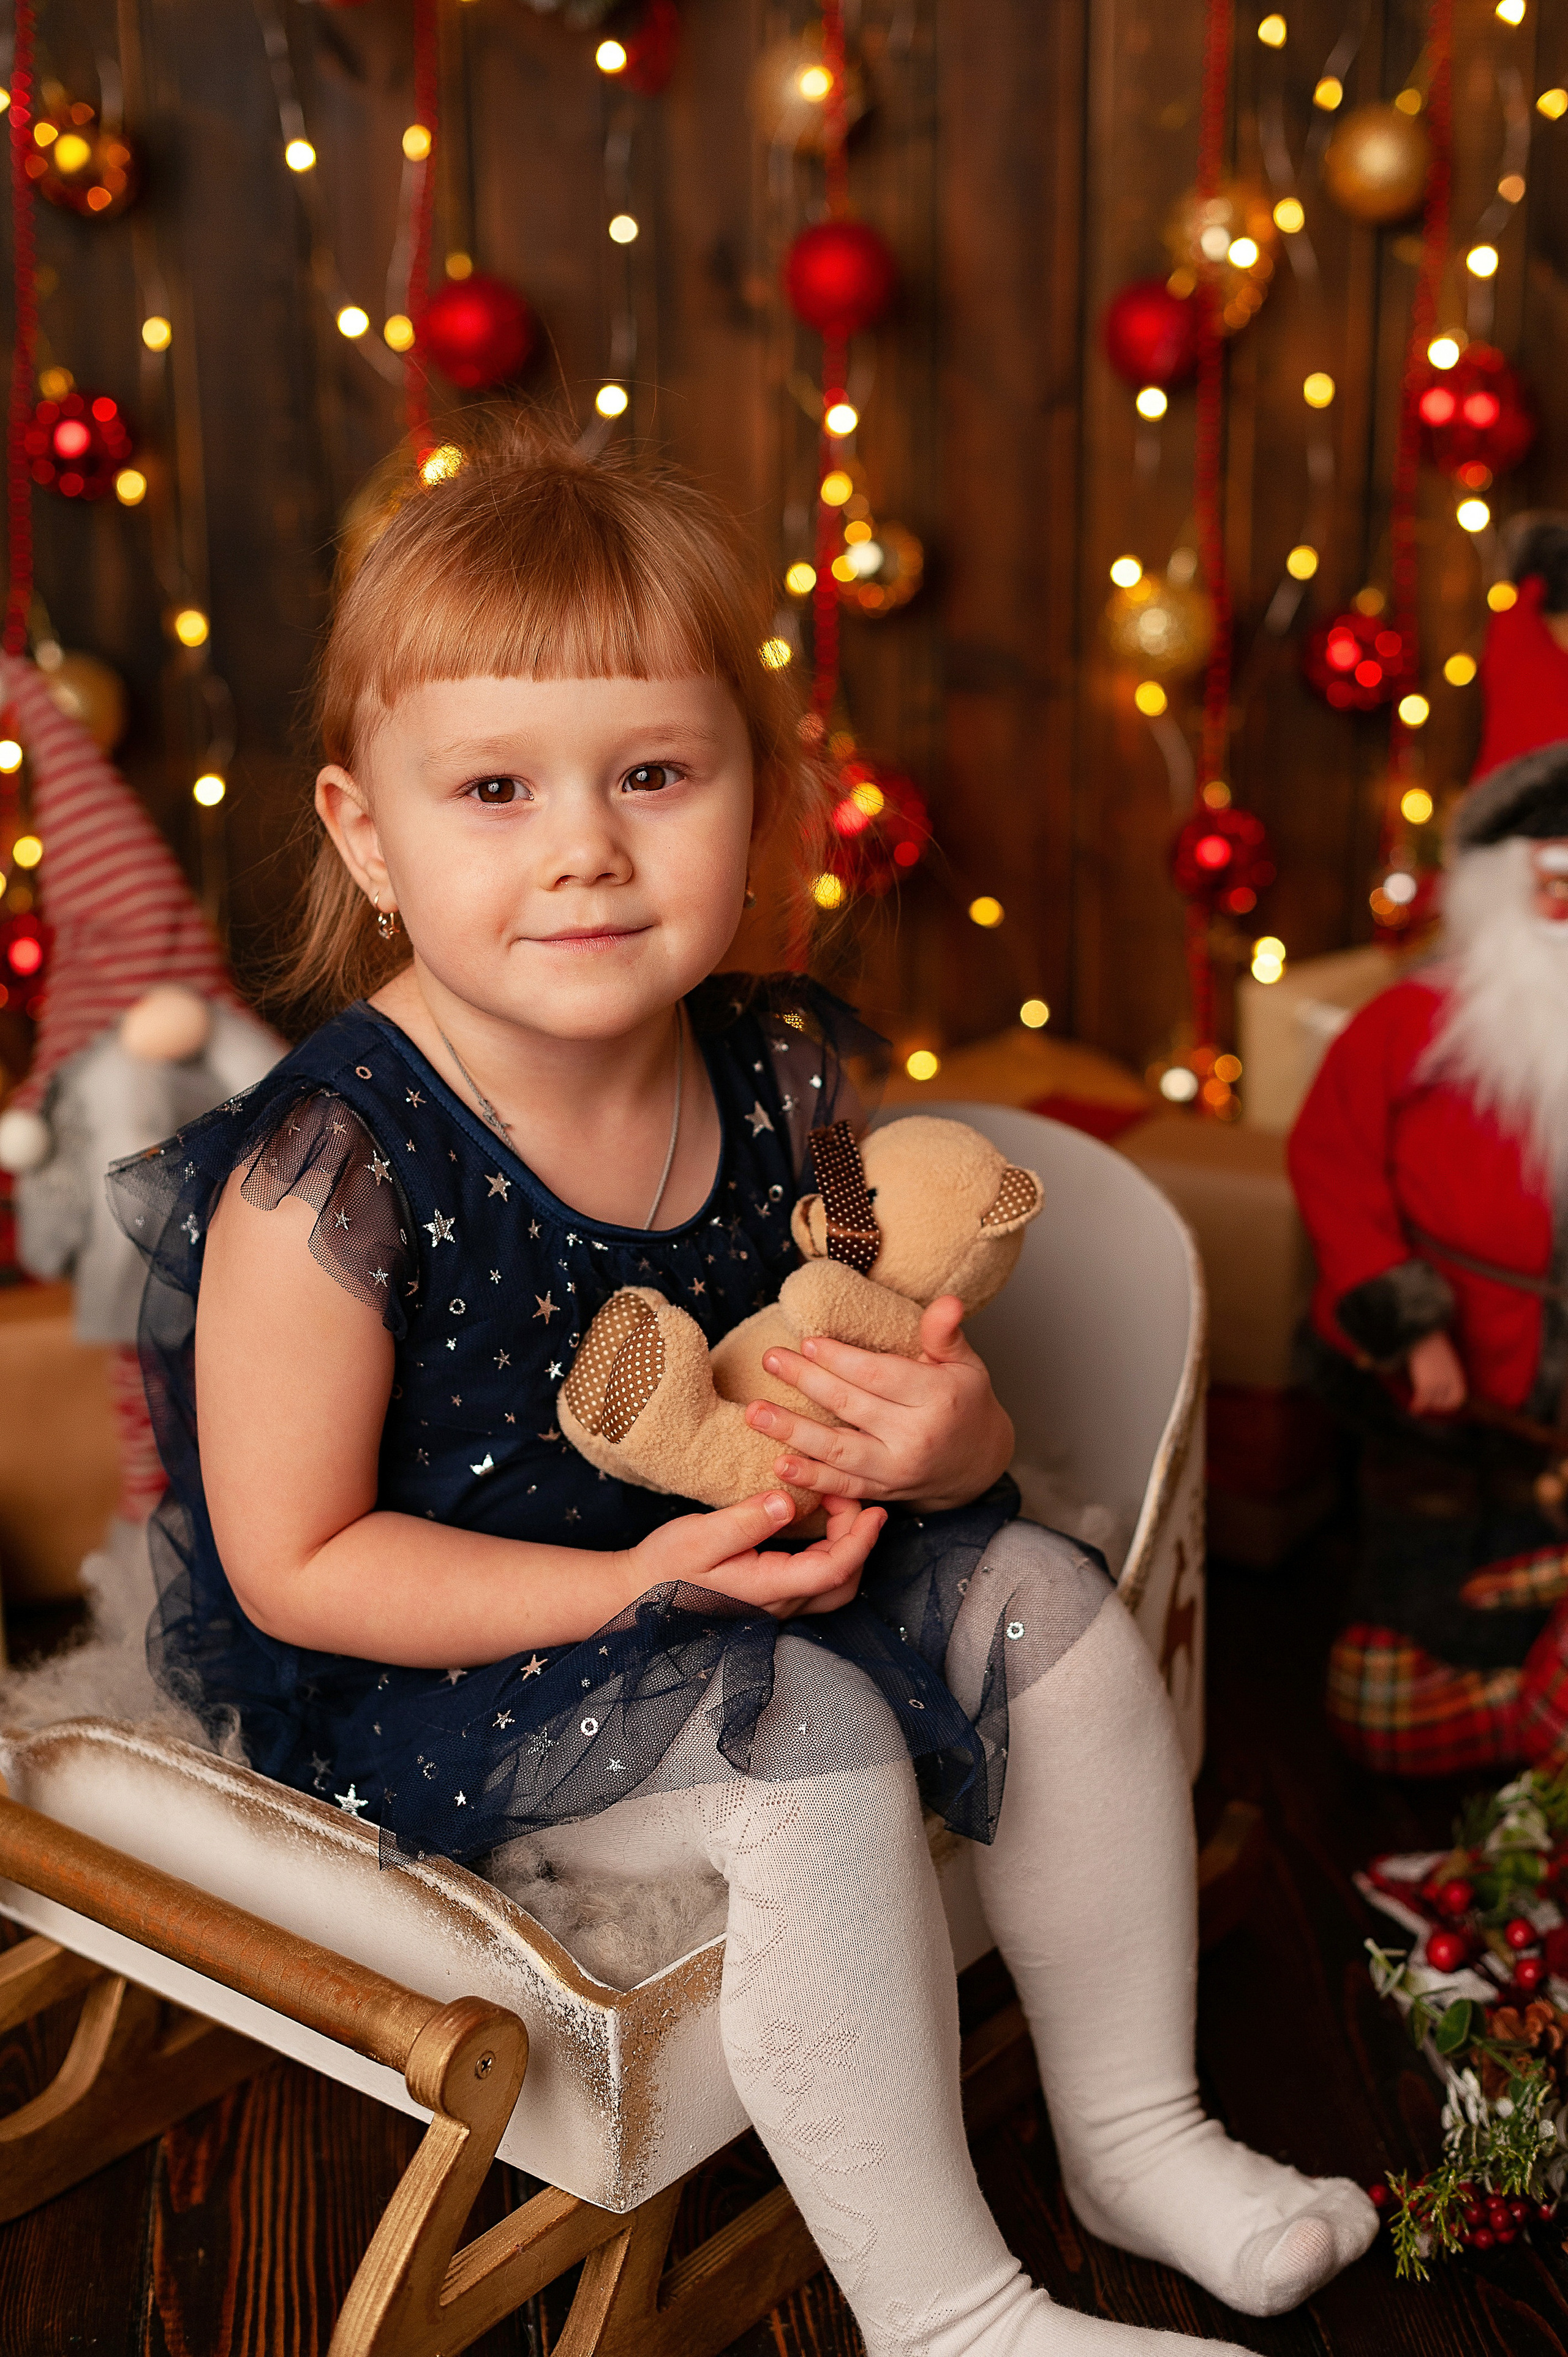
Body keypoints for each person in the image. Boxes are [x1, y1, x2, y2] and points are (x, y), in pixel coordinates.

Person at [104, 416, 1373, 2356]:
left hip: (766, 1560)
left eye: (654, 775)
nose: (586, 849)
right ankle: (950, 2312)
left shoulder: (782, 1076)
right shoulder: (335, 1174)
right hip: (474, 1659)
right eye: (497, 789)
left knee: (1052, 1607)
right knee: (810, 1751)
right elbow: (299, 1564)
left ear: (761, 800)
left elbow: (880, 1320)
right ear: (368, 836)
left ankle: (1136, 2133)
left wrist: (955, 1438)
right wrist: (633, 1583)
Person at [1290, 738, 1568, 1775]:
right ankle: (1460, 1692)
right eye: (1553, 879)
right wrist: (1408, 1324)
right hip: (1449, 1380)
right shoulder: (1415, 1022)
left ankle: (1531, 1696)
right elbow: (1332, 1163)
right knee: (1428, 1555)